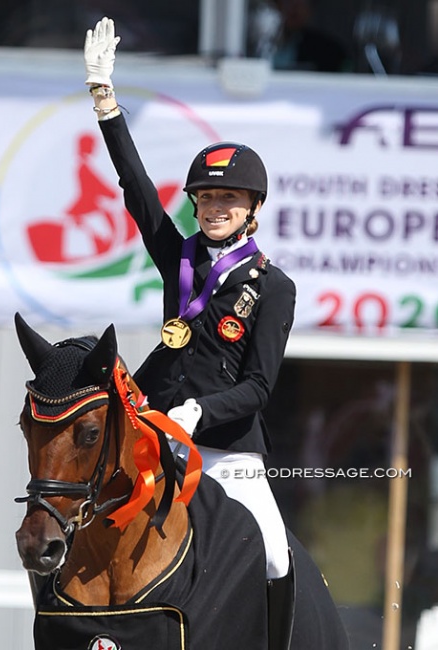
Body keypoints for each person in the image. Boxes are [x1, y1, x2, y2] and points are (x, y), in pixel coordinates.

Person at [83, 18, 296, 587]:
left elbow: (259, 386)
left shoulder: (274, 288)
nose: (215, 207)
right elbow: (135, 188)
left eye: (229, 198)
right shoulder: (178, 259)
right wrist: (105, 99)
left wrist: (203, 411)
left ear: (252, 210)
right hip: (155, 434)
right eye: (206, 197)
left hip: (228, 451)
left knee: (275, 560)